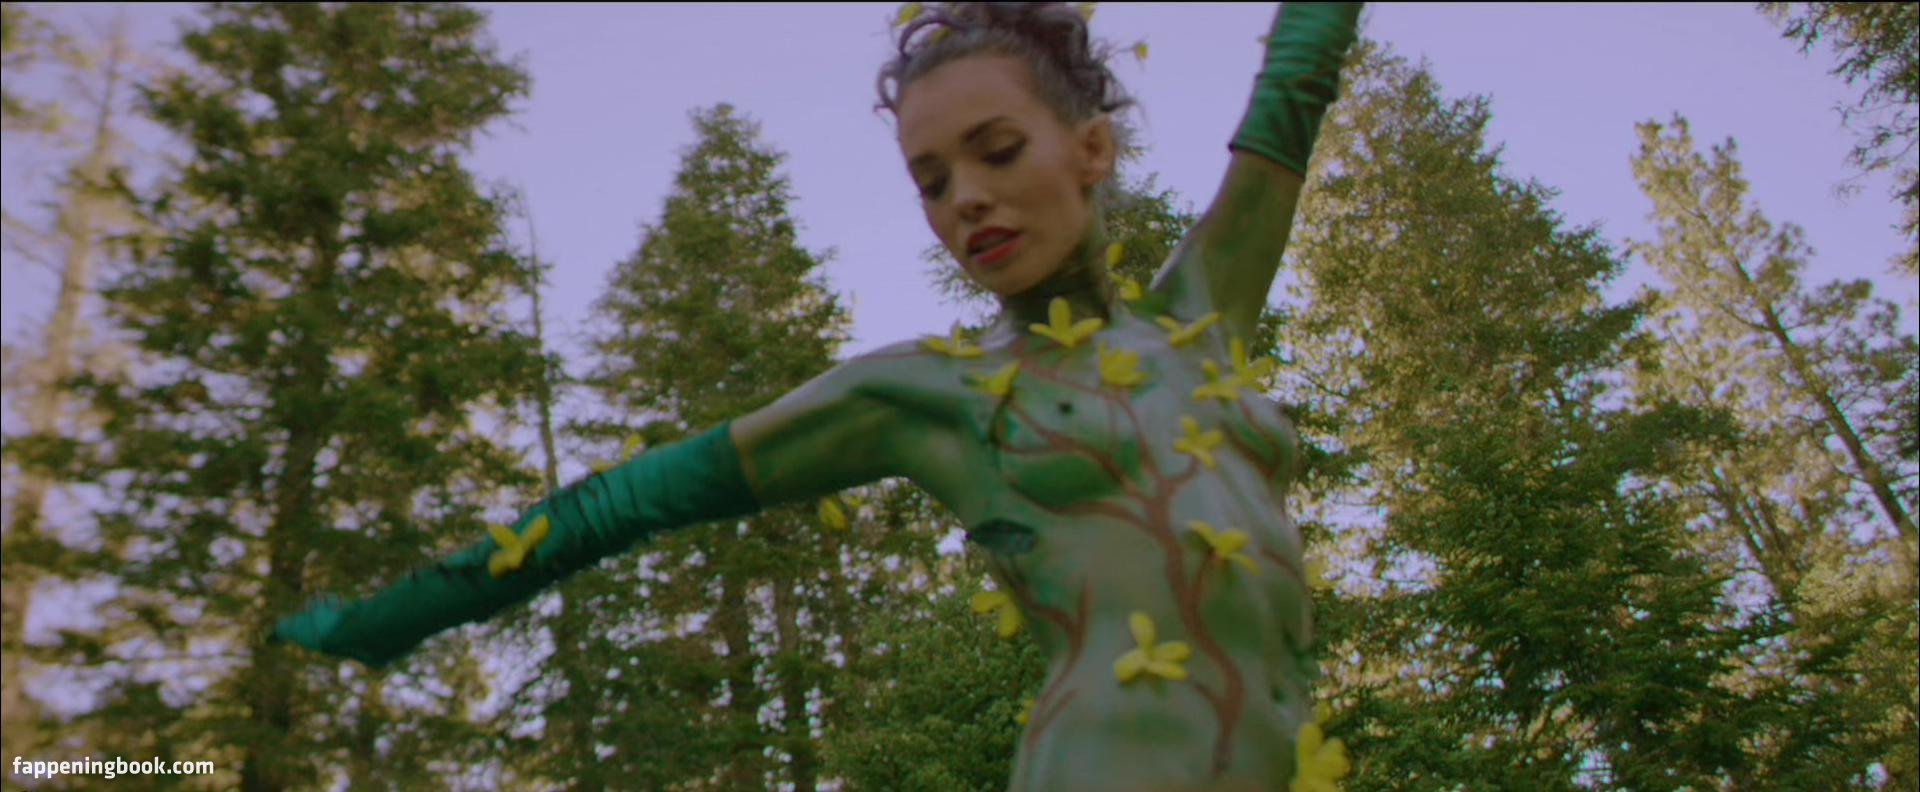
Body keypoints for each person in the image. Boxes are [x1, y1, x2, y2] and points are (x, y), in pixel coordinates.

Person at [275, 3, 1361, 790]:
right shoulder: (927, 395)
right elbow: (631, 500)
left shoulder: (1201, 318)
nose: (966, 199)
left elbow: (1299, 73)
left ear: (1091, 148)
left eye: (995, 151)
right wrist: (401, 616)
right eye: (931, 181)